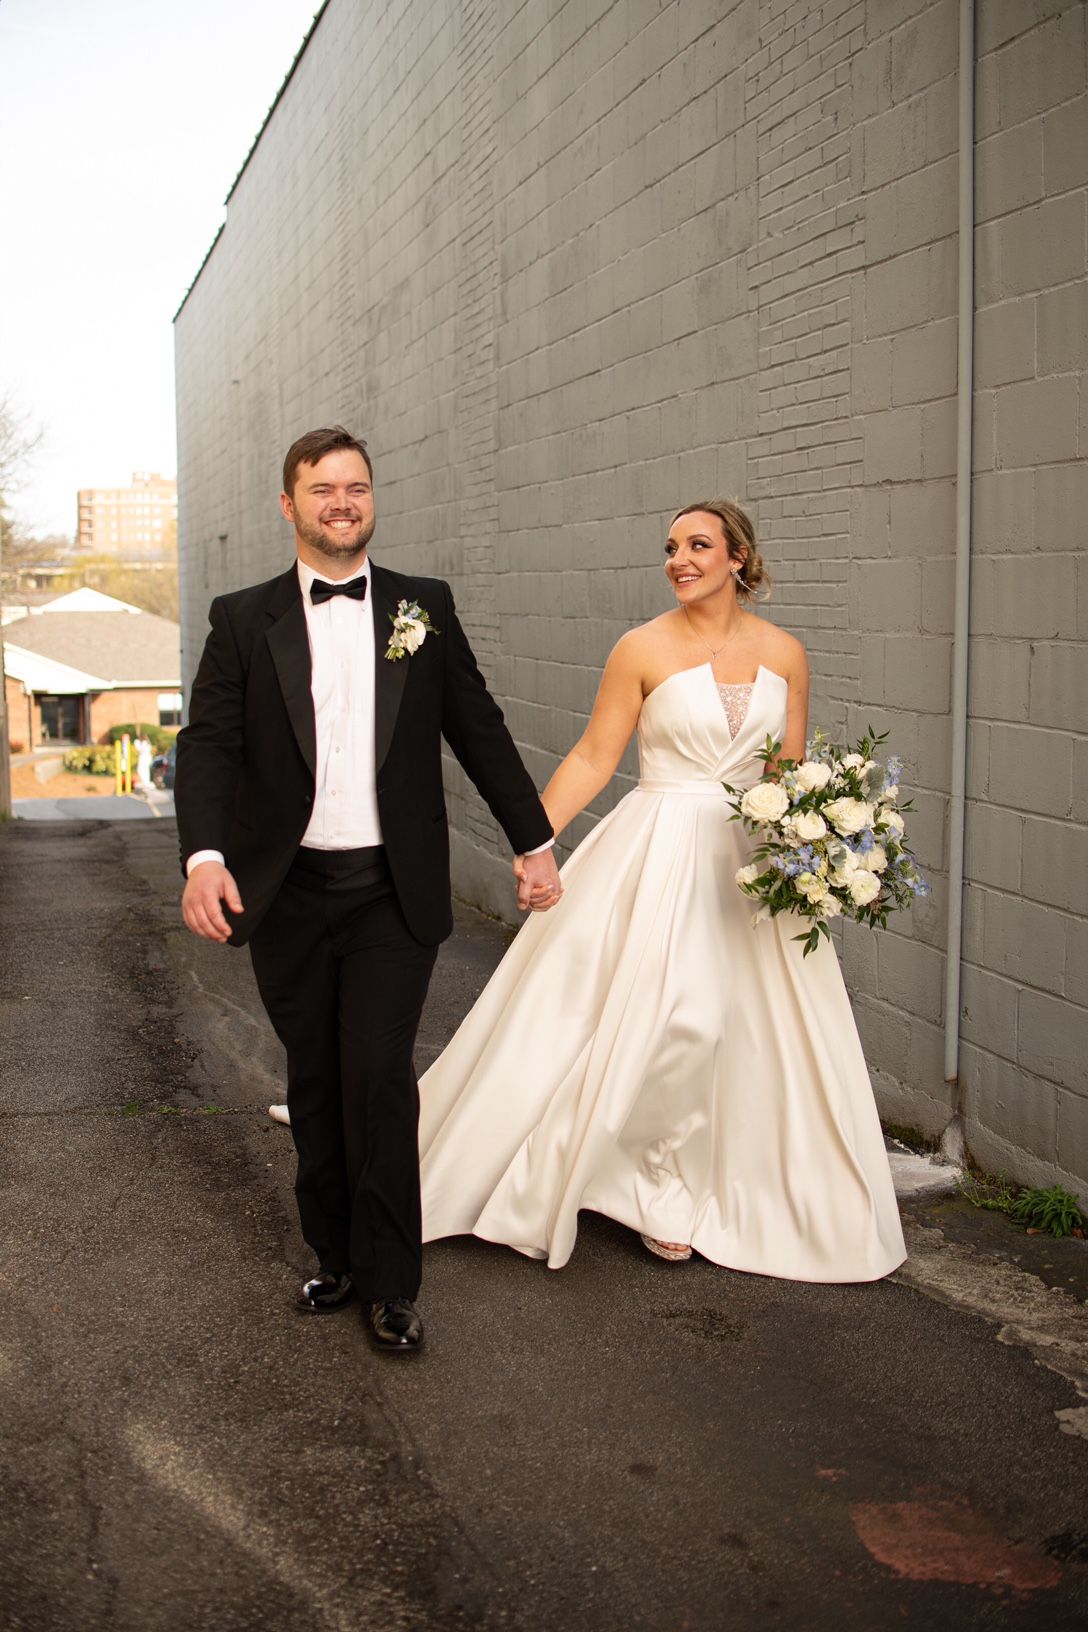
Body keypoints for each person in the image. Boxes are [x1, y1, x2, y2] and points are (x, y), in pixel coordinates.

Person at [419, 499, 907, 1283]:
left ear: (738, 558)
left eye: (699, 545)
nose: (680, 559)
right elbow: (591, 757)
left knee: (742, 1028)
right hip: (659, 850)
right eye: (671, 547)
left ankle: (717, 1177)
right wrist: (533, 840)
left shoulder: (788, 654)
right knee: (681, 1016)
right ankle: (652, 1188)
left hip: (751, 865)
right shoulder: (639, 648)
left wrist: (817, 849)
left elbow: (787, 774)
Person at [174, 426, 561, 1352]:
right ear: (289, 504)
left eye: (356, 487)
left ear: (372, 498)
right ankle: (335, 1256)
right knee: (316, 1077)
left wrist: (534, 840)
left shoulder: (421, 608)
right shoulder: (241, 617)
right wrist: (204, 857)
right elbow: (209, 748)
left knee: (379, 1077)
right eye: (321, 489)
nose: (341, 502)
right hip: (287, 890)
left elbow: (478, 727)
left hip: (392, 888)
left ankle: (393, 1284)